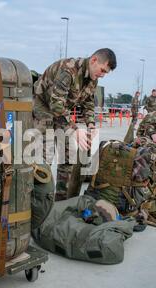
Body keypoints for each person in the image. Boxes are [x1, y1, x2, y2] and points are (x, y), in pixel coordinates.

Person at [33, 48, 117, 201]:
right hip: (44, 108)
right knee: (46, 155)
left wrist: (91, 125)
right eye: (103, 70)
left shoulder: (93, 78)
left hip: (61, 113)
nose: (103, 75)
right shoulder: (68, 70)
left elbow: (88, 104)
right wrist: (75, 130)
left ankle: (61, 201)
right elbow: (55, 105)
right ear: (94, 61)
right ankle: (38, 201)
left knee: (69, 155)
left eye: (106, 73)